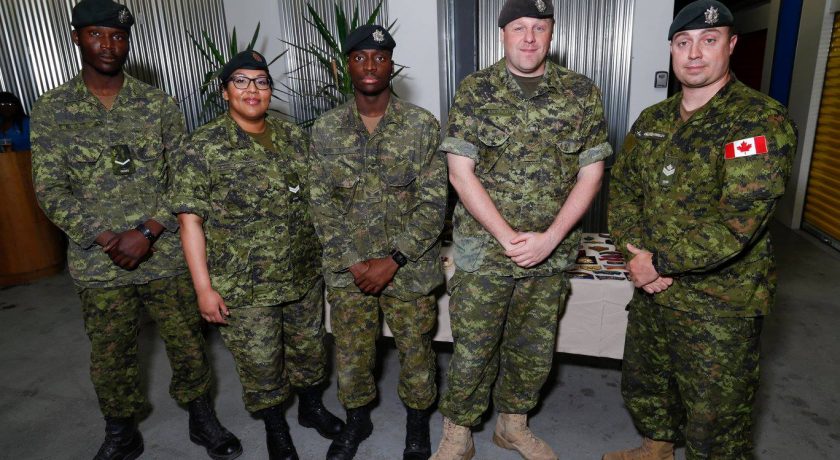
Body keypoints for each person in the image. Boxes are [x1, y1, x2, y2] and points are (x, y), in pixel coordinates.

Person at [29, 1, 241, 459]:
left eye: (118, 36)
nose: (108, 45)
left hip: (164, 255)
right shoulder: (52, 110)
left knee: (187, 343)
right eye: (96, 35)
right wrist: (106, 238)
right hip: (99, 263)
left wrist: (147, 231)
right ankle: (121, 429)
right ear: (76, 38)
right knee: (111, 353)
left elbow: (183, 179)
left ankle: (202, 417)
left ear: (129, 42)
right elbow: (50, 188)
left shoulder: (158, 104)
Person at [604, 1, 798, 459]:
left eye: (708, 41)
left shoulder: (759, 120)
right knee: (647, 382)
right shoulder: (653, 121)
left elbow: (740, 221)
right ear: (671, 49)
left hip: (719, 303)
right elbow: (624, 192)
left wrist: (658, 263)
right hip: (653, 290)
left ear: (730, 46)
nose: (694, 53)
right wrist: (635, 256)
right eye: (683, 42)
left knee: (717, 417)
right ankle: (655, 448)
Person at [431, 0, 612, 458]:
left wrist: (549, 239)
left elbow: (591, 173)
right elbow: (460, 172)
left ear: (552, 34)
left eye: (539, 27)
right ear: (503, 34)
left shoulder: (581, 93)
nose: (529, 37)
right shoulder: (475, 91)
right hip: (485, 251)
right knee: (473, 348)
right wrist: (508, 237)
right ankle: (458, 433)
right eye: (518, 27)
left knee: (533, 349)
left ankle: (512, 424)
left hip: (549, 252)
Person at [171, 50, 344, 460]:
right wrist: (203, 289)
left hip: (302, 274)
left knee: (310, 350)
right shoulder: (203, 147)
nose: (253, 90)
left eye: (261, 82)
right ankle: (275, 426)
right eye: (242, 81)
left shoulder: (293, 137)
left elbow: (317, 202)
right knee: (262, 363)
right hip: (245, 284)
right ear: (225, 91)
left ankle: (311, 408)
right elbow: (189, 222)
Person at [308, 25, 447, 460]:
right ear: (345, 65)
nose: (370, 66)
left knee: (417, 352)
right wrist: (353, 262)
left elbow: (433, 204)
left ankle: (418, 423)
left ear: (392, 65)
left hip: (408, 270)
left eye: (380, 57)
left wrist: (394, 260)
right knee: (351, 355)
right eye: (360, 57)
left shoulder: (422, 126)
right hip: (350, 273)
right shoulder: (326, 129)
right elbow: (320, 203)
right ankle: (356, 420)